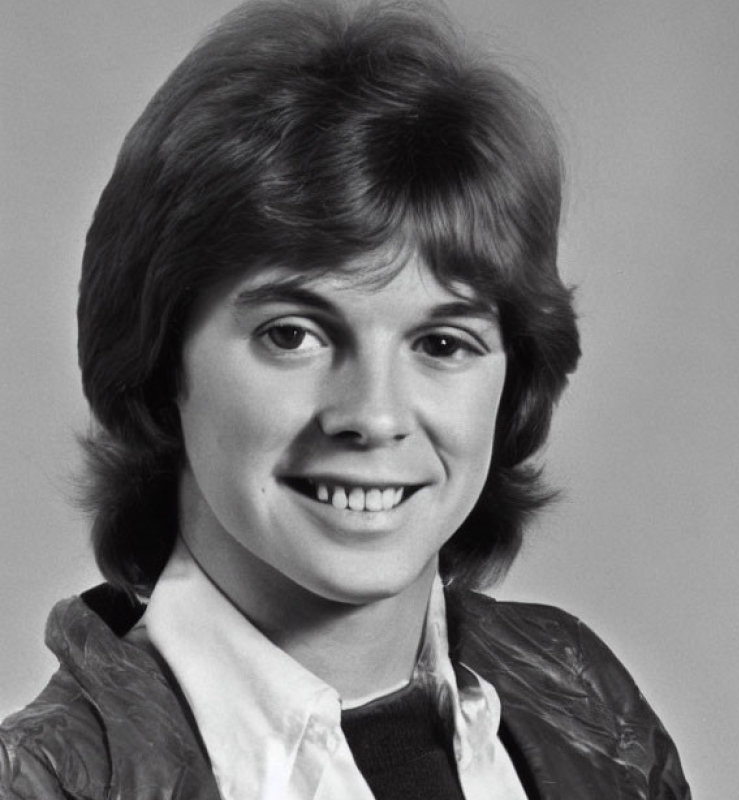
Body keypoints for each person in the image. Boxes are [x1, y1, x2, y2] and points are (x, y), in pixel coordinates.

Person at [0, 1, 690, 798]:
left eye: (441, 344)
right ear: (159, 362)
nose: (374, 416)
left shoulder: (591, 707)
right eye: (293, 335)